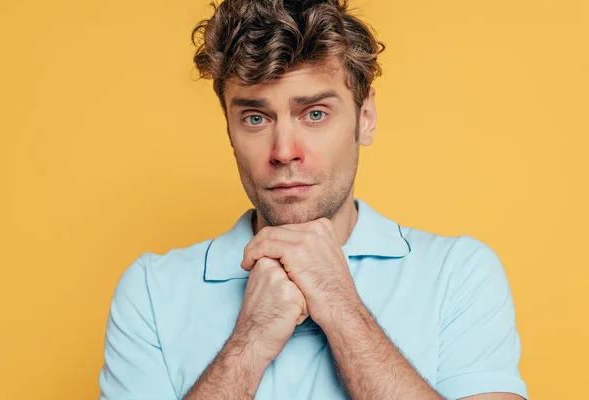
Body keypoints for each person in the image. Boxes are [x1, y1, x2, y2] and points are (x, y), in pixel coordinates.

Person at [98, 0, 527, 399]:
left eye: (315, 113)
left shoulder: (460, 274)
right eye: (255, 117)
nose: (284, 150)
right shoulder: (151, 290)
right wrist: (249, 342)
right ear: (229, 130)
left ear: (365, 118)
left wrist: (339, 306)